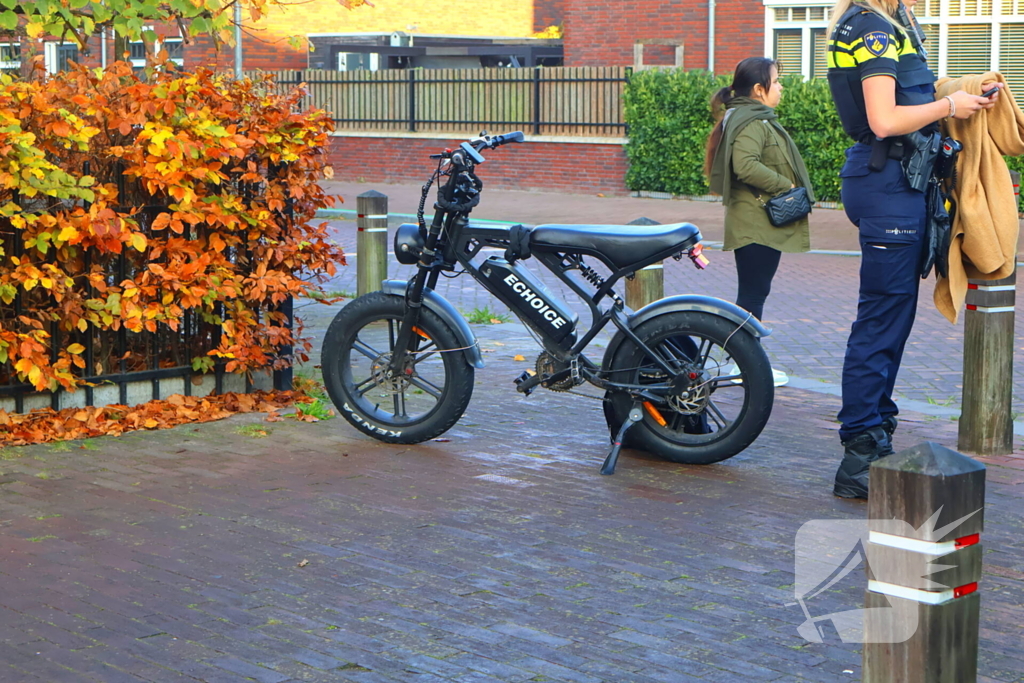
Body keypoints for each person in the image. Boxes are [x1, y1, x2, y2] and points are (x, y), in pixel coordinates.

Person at [825, 0, 999, 498]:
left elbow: (908, 95)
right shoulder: (872, 26)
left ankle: (877, 435)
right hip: (888, 184)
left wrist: (962, 92)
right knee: (881, 318)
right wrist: (949, 108)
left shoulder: (891, 23)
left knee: (893, 317)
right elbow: (883, 119)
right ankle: (859, 453)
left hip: (899, 184)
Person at [706, 57, 815, 388]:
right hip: (756, 223)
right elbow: (745, 165)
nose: (781, 87)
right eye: (776, 81)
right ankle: (742, 366)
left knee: (753, 294)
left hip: (755, 222)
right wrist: (788, 187)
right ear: (758, 89)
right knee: (752, 297)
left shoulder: (752, 117)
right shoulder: (751, 121)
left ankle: (740, 363)